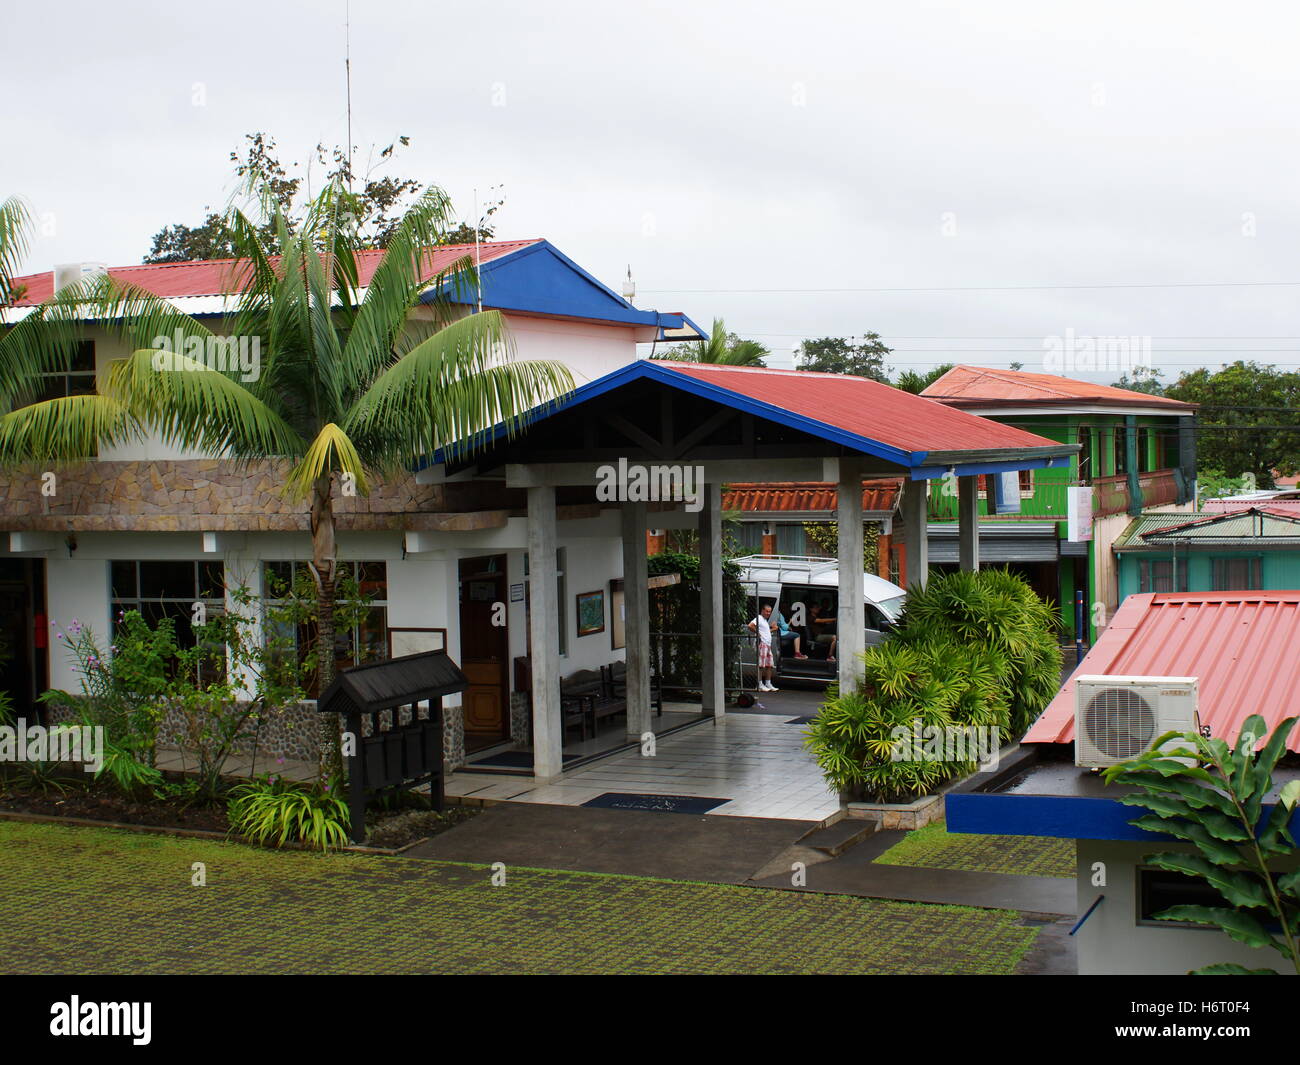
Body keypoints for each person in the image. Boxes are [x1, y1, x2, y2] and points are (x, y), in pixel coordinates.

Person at [747, 603, 780, 692]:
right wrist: (758, 633)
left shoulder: (764, 621)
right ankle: (759, 684)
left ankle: (768, 683)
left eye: (769, 612)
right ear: (762, 611)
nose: (768, 613)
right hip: (762, 644)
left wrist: (773, 629)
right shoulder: (759, 618)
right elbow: (750, 625)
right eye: (767, 611)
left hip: (767, 645)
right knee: (761, 665)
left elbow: (765, 632)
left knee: (769, 665)